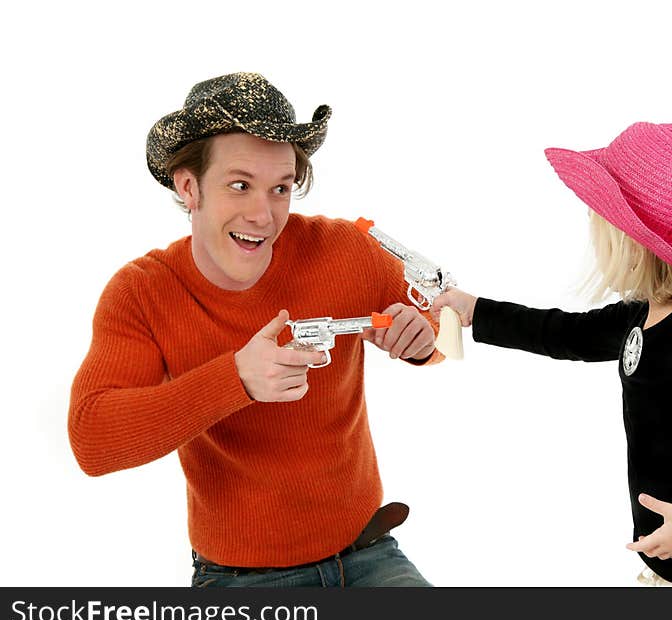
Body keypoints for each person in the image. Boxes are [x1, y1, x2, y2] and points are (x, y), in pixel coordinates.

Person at [68, 72, 443, 587]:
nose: (263, 215)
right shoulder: (142, 291)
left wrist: (424, 341)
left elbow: (442, 320)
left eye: (281, 189)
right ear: (188, 186)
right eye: (239, 185)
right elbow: (92, 440)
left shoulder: (344, 249)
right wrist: (235, 381)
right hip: (239, 579)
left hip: (369, 554)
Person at [433, 122, 672, 587]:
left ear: (631, 245)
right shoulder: (643, 314)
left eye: (599, 221)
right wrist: (478, 311)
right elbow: (568, 334)